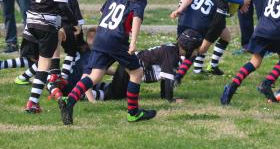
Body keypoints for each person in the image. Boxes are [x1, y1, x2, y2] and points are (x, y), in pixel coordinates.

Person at [58, 0, 156, 125]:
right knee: (136, 72)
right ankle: (133, 112)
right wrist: (133, 42)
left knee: (95, 75)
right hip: (116, 40)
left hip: (101, 37)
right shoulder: (139, 0)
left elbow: (103, 11)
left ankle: (70, 100)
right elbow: (137, 18)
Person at [70, 29, 204, 104]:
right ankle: (79, 94)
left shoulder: (172, 50)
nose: (197, 52)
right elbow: (168, 81)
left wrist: (164, 96)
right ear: (190, 47)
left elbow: (165, 78)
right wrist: (171, 100)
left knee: (114, 89)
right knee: (114, 95)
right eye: (197, 49)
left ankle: (92, 86)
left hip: (128, 67)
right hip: (129, 70)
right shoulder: (172, 56)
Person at [24, 0, 78, 113]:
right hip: (45, 24)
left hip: (30, 23)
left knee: (52, 46)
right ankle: (33, 102)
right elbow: (62, 7)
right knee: (43, 64)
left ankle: (55, 75)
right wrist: (74, 21)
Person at [192, 0, 250, 75]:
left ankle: (212, 66)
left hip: (212, 13)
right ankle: (186, 67)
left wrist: (238, 6)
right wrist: (241, 1)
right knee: (203, 46)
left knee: (226, 37)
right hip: (217, 16)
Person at [170, 0, 220, 82]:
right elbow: (211, 19)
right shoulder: (214, 1)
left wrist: (179, 10)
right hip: (199, 29)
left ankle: (171, 71)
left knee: (179, 48)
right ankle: (178, 76)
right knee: (192, 53)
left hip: (184, 24)